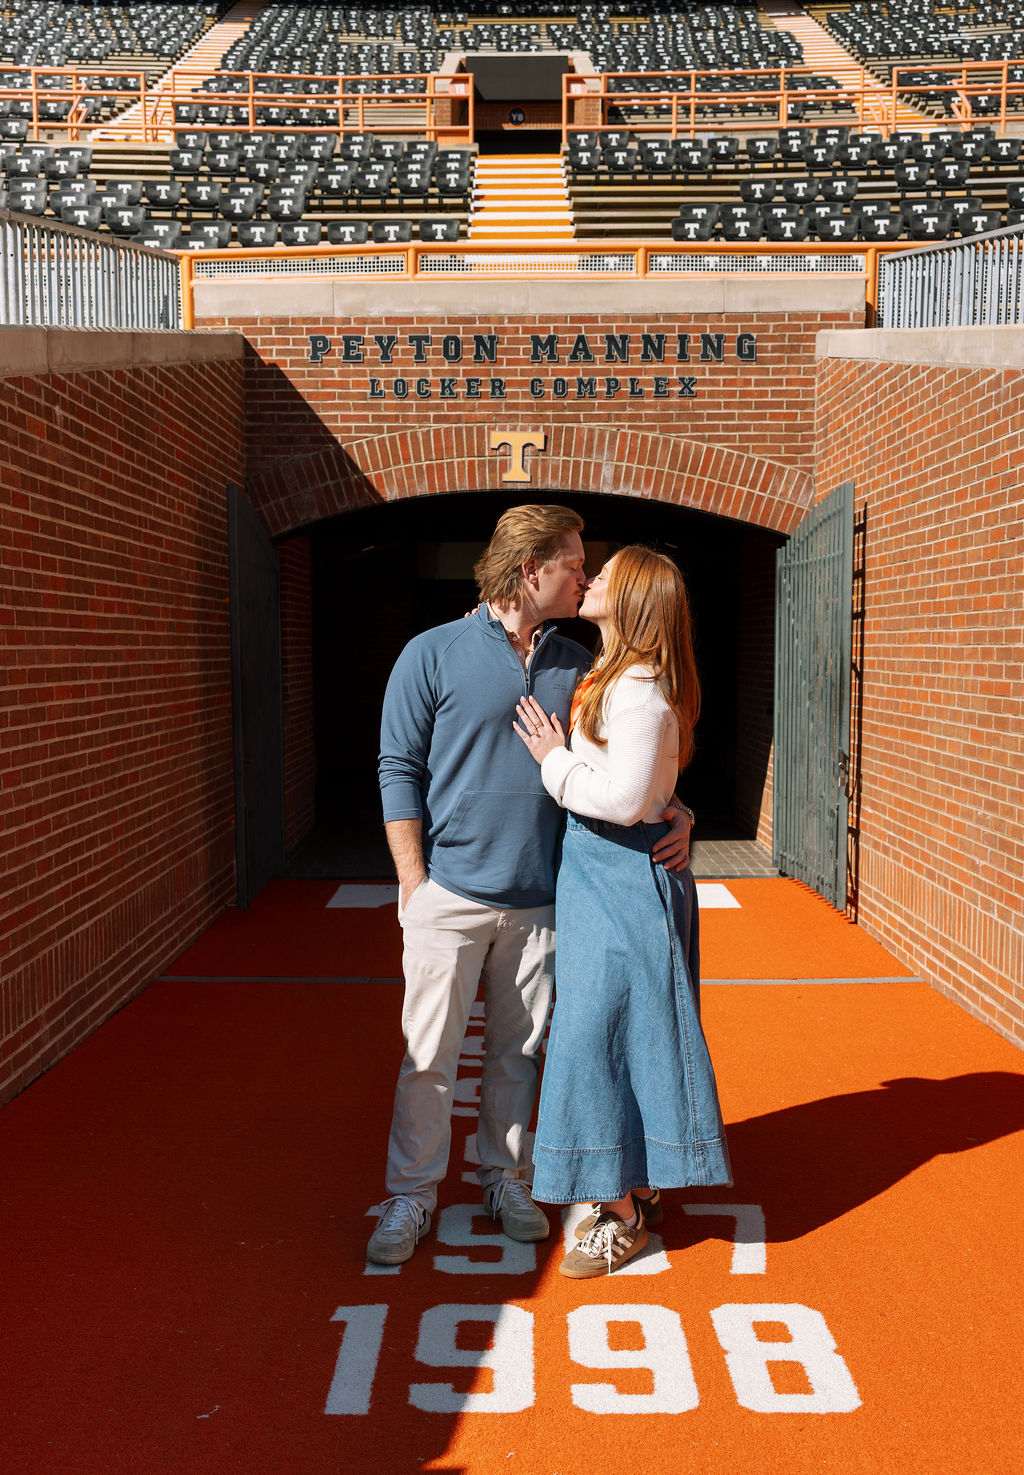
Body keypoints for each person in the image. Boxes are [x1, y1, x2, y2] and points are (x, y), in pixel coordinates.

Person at [368, 507, 694, 1266]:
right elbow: (396, 768)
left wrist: (680, 809)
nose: (584, 576)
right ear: (529, 569)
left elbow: (629, 764)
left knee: (518, 1056)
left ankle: (504, 1177)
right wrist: (412, 879)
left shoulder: (578, 662)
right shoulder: (433, 652)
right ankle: (411, 1195)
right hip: (447, 894)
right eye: (574, 564)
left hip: (544, 900)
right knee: (430, 1056)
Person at [514, 544, 732, 1277]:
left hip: (622, 874)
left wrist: (552, 759)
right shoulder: (616, 676)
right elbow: (645, 787)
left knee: (591, 1036)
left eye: (603, 575)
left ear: (632, 599)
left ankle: (621, 1209)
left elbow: (623, 800)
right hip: (604, 872)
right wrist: (679, 808)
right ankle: (638, 1180)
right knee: (628, 1034)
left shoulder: (637, 688)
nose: (590, 579)